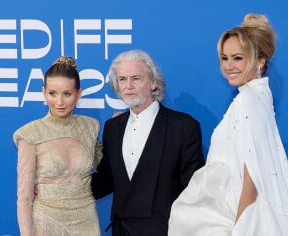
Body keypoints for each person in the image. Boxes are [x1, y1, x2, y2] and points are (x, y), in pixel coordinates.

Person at [168, 14, 288, 235]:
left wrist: (239, 228)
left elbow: (252, 179)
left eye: (237, 58)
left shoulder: (248, 101)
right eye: (224, 58)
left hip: (234, 220)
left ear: (260, 60)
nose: (228, 66)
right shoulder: (259, 97)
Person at [91, 49, 205, 236]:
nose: (128, 86)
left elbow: (194, 188)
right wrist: (58, 190)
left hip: (166, 230)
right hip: (121, 230)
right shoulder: (112, 127)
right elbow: (107, 179)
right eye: (122, 79)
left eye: (136, 78)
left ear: (152, 82)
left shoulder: (183, 126)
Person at [13, 56, 103, 235]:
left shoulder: (90, 127)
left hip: (87, 221)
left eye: (67, 94)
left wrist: (121, 130)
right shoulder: (30, 134)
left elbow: (106, 166)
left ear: (79, 93)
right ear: (43, 92)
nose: (59, 102)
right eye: (52, 93)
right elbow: (24, 197)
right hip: (46, 221)